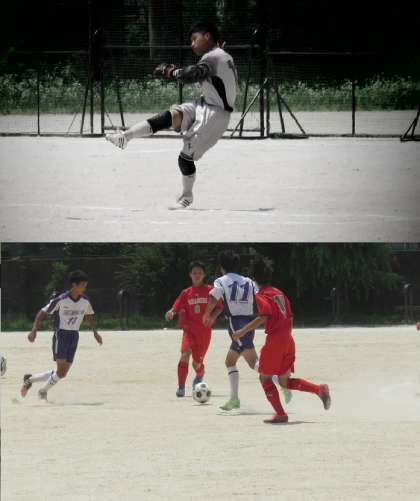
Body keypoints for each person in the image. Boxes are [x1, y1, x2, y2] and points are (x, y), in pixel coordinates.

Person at [105, 20, 237, 209]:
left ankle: (187, 196)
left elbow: (192, 75)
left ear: (207, 36)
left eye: (195, 38)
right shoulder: (219, 55)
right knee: (171, 115)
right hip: (206, 103)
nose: (192, 44)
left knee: (185, 158)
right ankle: (125, 137)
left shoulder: (213, 56)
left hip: (216, 114)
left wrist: (171, 71)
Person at [232, 258, 331, 423]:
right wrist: (286, 336)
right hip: (288, 339)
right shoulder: (279, 293)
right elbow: (290, 317)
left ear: (255, 280)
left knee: (264, 378)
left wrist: (242, 331)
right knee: (284, 382)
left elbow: (264, 315)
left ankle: (280, 414)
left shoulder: (262, 295)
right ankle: (319, 389)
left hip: (275, 341)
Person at [20, 270, 103, 401]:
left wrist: (95, 333)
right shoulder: (61, 299)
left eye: (85, 285)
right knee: (60, 370)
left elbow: (88, 315)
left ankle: (30, 379)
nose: (84, 288)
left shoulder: (85, 300)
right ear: (74, 285)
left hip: (74, 336)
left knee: (63, 373)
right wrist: (34, 330)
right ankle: (42, 391)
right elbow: (42, 312)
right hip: (61, 335)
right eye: (82, 285)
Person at [203, 250, 258, 411]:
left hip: (236, 324)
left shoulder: (221, 280)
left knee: (254, 363)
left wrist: (207, 314)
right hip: (249, 322)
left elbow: (214, 297)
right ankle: (234, 399)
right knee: (230, 361)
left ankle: (282, 381)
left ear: (221, 267)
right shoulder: (248, 281)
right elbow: (260, 296)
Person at [165, 261, 222, 397]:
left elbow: (220, 307)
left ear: (204, 275)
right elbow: (176, 306)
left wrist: (212, 317)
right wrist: (171, 312)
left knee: (197, 363)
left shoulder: (210, 291)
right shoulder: (186, 293)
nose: (197, 275)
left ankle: (200, 374)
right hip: (189, 331)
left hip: (204, 332)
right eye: (194, 273)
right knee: (185, 354)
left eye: (200, 273)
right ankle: (181, 387)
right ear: (190, 275)